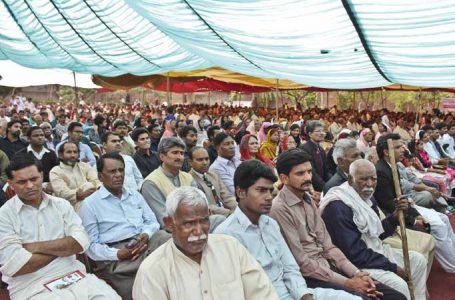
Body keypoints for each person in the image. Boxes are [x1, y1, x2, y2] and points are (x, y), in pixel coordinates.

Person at [215, 160, 363, 300]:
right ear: (241, 192)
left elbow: (290, 267)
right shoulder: (226, 236)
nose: (268, 197)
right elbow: (234, 290)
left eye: (270, 191)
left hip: (294, 293)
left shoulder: (270, 224)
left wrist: (304, 296)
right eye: (261, 190)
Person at [270, 149, 393, 299]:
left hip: (331, 267)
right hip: (311, 277)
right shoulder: (279, 209)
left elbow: (328, 246)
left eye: (309, 171)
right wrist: (348, 282)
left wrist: (356, 273)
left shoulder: (307, 200)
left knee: (393, 295)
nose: (308, 177)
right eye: (300, 174)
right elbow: (302, 262)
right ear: (284, 178)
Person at [0, 155, 120, 300]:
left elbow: (81, 242)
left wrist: (34, 247)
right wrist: (63, 248)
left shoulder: (61, 205)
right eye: (21, 182)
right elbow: (16, 265)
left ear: (42, 176)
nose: (30, 186)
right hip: (31, 286)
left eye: (34, 179)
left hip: (74, 276)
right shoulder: (4, 216)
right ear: (11, 184)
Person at [132, 186, 279, 300]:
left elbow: (262, 294)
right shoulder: (153, 270)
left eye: (204, 221)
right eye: (189, 224)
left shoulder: (230, 247)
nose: (198, 231)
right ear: (169, 223)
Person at [321, 159, 427, 299]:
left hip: (375, 253)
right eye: (364, 179)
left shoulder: (367, 197)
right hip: (356, 265)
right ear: (350, 179)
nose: (370, 184)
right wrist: (393, 268)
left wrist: (395, 216)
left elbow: (377, 234)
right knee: (399, 285)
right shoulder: (338, 206)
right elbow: (354, 253)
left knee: (418, 261)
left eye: (373, 179)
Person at [79, 153, 170, 299]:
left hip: (144, 242)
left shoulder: (134, 195)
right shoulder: (90, 205)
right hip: (118, 257)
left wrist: (145, 235)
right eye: (112, 171)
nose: (118, 175)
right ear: (101, 177)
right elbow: (91, 246)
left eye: (121, 170)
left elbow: (152, 222)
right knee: (139, 291)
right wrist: (117, 254)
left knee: (166, 238)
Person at [375, 134, 455, 273]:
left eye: (402, 146)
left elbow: (401, 197)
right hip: (395, 215)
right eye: (398, 147)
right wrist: (414, 219)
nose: (403, 150)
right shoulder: (381, 171)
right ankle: (452, 266)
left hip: (407, 207)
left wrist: (415, 213)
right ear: (386, 152)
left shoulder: (393, 165)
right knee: (437, 226)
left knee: (443, 218)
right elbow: (389, 205)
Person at [141, 137, 197, 227]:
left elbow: (198, 206)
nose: (180, 157)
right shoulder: (151, 183)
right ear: (162, 156)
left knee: (218, 219)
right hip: (173, 230)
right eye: (175, 153)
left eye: (182, 153)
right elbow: (164, 219)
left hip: (196, 222)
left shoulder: (188, 177)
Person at [50, 141, 100, 211]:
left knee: (89, 186)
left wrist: (94, 190)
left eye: (75, 152)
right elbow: (62, 193)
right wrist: (78, 194)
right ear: (61, 155)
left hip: (91, 201)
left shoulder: (85, 166)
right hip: (68, 207)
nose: (73, 155)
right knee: (87, 186)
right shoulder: (55, 171)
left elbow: (96, 181)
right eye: (69, 152)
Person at [189, 146, 237, 217]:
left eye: (207, 159)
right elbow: (205, 206)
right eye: (200, 160)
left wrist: (239, 208)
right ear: (190, 162)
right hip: (210, 217)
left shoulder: (213, 175)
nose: (205, 162)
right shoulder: (189, 179)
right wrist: (229, 213)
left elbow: (227, 196)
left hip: (226, 213)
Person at [299, 120, 330, 192]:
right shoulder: (305, 148)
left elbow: (326, 169)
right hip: (312, 188)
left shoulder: (321, 149)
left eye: (323, 131)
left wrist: (330, 184)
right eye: (318, 131)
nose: (322, 133)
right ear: (310, 134)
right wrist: (325, 188)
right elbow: (312, 173)